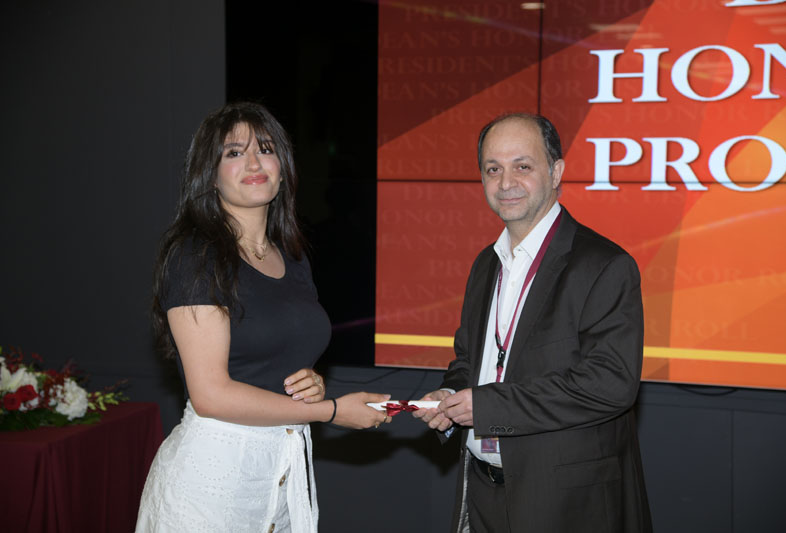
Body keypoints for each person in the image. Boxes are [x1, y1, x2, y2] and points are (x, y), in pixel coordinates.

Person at [136, 101, 390, 533]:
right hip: (210, 483)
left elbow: (275, 360)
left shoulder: (291, 255)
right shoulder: (195, 256)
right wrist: (329, 411)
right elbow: (210, 395)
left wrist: (311, 385)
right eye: (234, 152)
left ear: (283, 167)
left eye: (266, 149)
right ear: (210, 174)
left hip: (281, 475)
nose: (254, 162)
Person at [413, 113, 652, 532]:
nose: (506, 182)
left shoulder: (603, 264)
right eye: (493, 169)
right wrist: (450, 396)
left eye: (522, 166)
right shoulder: (486, 264)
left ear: (556, 172)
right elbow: (470, 361)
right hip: (482, 494)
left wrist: (486, 407)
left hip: (563, 503)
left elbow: (611, 384)